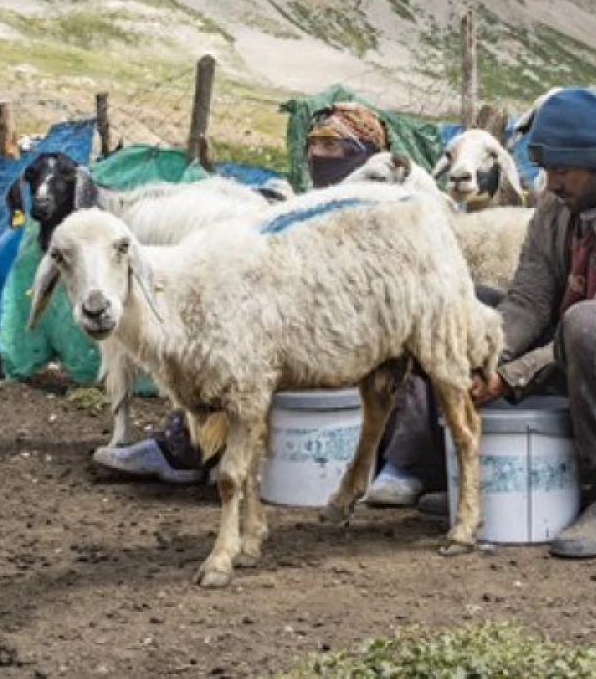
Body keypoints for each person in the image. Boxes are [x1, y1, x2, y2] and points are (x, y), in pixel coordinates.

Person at [364, 87, 596, 559]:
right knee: (467, 311)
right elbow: (529, 299)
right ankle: (468, 474)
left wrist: (508, 377)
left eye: (563, 170)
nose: (552, 181)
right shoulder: (558, 206)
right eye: (548, 168)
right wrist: (485, 355)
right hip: (585, 345)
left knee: (589, 322)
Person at [90, 101, 391, 482]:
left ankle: (190, 450)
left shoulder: (382, 210)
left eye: (331, 146)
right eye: (314, 145)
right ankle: (197, 445)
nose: (318, 155)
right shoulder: (309, 206)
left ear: (363, 154)